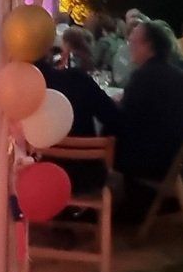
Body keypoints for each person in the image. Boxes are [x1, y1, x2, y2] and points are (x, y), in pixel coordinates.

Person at [116, 20, 183, 224]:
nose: (130, 48)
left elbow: (124, 121)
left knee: (108, 142)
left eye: (134, 43)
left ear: (149, 46)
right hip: (182, 162)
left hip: (156, 164)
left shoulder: (143, 77)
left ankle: (123, 208)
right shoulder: (181, 77)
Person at [37, 30, 121, 193]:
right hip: (85, 176)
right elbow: (113, 117)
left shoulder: (17, 89)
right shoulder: (77, 79)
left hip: (38, 177)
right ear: (48, 49)